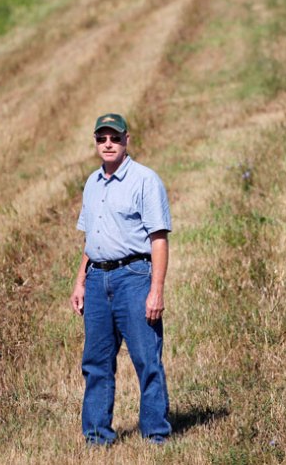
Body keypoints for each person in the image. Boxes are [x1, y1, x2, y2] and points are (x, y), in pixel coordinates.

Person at [70, 113, 172, 445]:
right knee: (96, 362)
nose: (108, 144)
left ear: (127, 139)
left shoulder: (145, 180)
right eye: (102, 138)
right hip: (98, 280)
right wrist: (80, 281)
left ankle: (156, 433)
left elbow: (158, 239)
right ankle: (97, 435)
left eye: (114, 137)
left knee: (147, 359)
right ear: (96, 142)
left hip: (134, 277)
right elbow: (92, 239)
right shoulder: (91, 183)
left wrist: (156, 290)